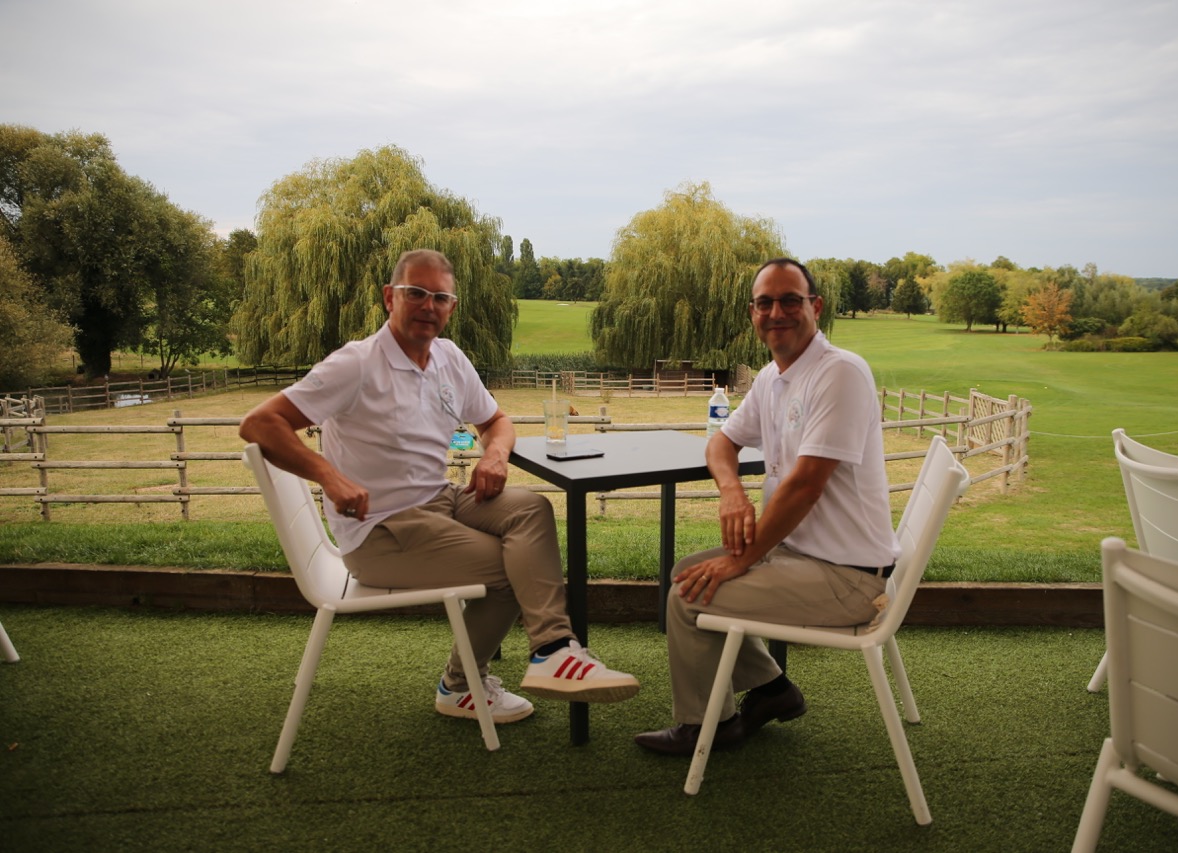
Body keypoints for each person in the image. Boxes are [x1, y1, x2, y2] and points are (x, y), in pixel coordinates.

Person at [240, 249, 639, 725]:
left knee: (531, 509)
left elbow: (496, 420)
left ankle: (551, 652)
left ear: (451, 307)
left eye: (440, 297)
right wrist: (329, 475)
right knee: (512, 570)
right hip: (380, 530)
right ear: (390, 297)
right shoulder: (357, 364)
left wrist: (494, 455)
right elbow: (259, 424)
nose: (428, 305)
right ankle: (463, 684)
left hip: (440, 499)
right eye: (415, 293)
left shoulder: (448, 358)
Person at [635, 257, 900, 755]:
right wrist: (731, 491)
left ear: (815, 306)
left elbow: (805, 487)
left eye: (790, 300)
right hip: (803, 556)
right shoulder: (772, 378)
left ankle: (706, 727)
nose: (777, 312)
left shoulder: (839, 373)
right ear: (752, 313)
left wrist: (741, 560)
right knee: (686, 572)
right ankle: (773, 690)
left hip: (851, 578)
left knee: (689, 595)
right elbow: (721, 442)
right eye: (765, 303)